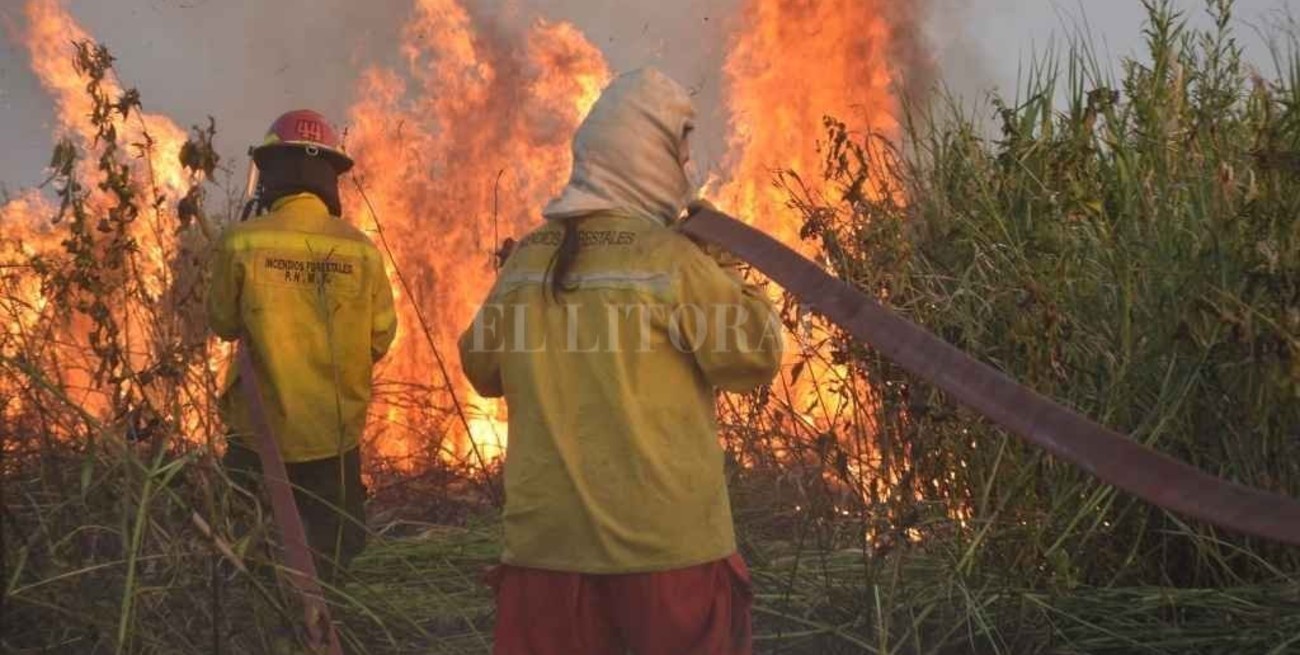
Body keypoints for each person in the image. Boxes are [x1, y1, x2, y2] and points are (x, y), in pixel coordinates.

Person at [459, 68, 783, 655]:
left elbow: (480, 369)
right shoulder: (672, 261)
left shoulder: (526, 262)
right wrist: (723, 262)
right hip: (667, 555)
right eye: (679, 153)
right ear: (648, 159)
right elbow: (755, 356)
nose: (685, 169)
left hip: (545, 556)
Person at [208, 109, 397, 582]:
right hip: (333, 437)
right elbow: (380, 339)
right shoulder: (362, 250)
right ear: (329, 178)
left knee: (244, 556)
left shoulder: (241, 242)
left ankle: (258, 615)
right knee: (334, 561)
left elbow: (223, 324)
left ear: (271, 174)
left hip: (257, 436)